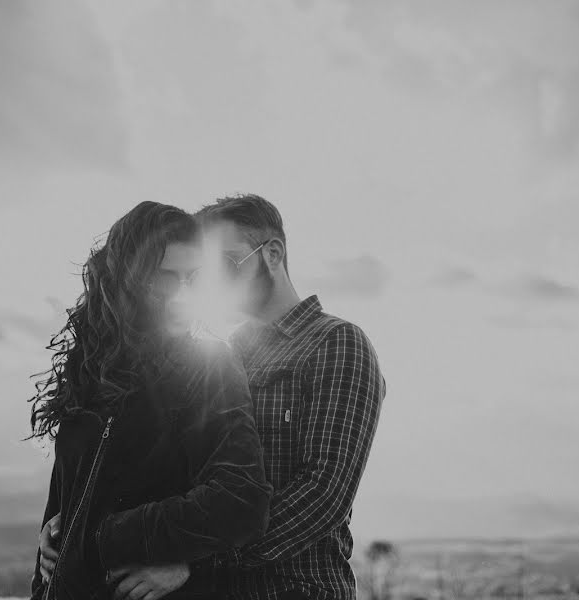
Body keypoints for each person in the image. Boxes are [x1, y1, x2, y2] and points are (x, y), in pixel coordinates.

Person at [114, 194, 387, 599]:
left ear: (272, 254)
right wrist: (79, 522)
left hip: (295, 589)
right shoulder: (218, 356)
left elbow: (322, 492)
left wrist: (193, 559)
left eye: (227, 264)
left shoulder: (337, 343)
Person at [28, 201, 272, 600]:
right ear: (126, 277)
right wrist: (53, 553)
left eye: (191, 277)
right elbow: (64, 500)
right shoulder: (89, 369)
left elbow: (240, 499)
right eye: (164, 277)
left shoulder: (207, 366)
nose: (179, 294)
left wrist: (99, 536)